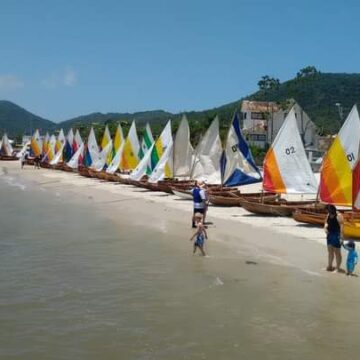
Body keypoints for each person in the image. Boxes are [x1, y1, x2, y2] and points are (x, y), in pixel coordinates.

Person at [324, 204, 344, 272]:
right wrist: (325, 228)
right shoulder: (328, 215)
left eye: (328, 211)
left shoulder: (339, 215)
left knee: (337, 252)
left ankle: (337, 268)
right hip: (329, 234)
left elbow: (341, 227)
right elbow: (326, 223)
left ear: (331, 210)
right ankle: (330, 266)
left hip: (336, 235)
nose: (327, 212)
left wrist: (341, 238)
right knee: (330, 251)